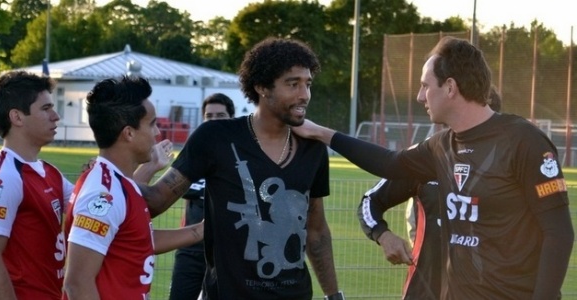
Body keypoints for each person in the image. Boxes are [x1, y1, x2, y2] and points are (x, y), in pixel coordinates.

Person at [293, 36, 573, 299]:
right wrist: (321, 133)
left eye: (426, 85)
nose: (419, 96)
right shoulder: (440, 146)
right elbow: (391, 163)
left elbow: (559, 233)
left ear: (450, 87)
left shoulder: (524, 141)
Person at [139, 37, 344, 300]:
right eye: (293, 84)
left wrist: (333, 296)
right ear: (261, 87)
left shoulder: (312, 148)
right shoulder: (215, 137)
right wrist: (110, 174)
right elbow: (155, 201)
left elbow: (316, 232)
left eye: (307, 84)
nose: (304, 94)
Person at [62, 76, 204, 299]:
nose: (157, 132)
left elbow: (138, 239)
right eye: (151, 124)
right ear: (129, 133)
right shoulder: (104, 194)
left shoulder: (121, 184)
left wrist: (201, 230)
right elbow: (77, 285)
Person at [358, 88, 503, 300]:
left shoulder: (510, 163)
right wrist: (384, 235)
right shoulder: (426, 157)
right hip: (425, 291)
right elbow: (370, 202)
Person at [0, 70, 74, 299]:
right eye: (46, 109)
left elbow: (100, 208)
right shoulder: (3, 177)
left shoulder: (50, 172)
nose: (56, 116)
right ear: (17, 117)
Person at [169, 93, 236, 300]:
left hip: (227, 255)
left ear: (232, 118)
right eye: (209, 116)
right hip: (191, 251)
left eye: (221, 115)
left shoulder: (241, 158)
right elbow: (184, 200)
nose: (214, 121)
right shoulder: (195, 154)